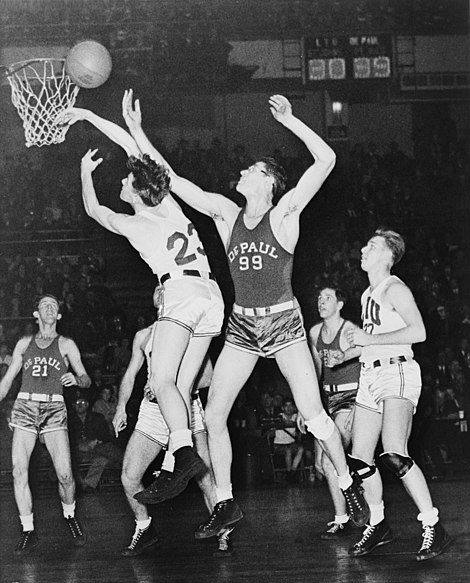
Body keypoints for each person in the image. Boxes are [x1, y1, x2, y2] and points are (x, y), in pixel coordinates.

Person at [119, 90, 369, 535]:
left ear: (269, 182)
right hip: (242, 324)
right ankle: (227, 503)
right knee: (213, 416)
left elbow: (326, 159)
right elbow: (173, 179)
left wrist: (291, 121)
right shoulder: (225, 213)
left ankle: (347, 481)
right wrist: (138, 133)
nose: (240, 171)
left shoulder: (285, 214)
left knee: (314, 416)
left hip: (284, 323)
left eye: (250, 169)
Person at [59, 107, 225, 502]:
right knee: (182, 387)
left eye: (125, 178)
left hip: (181, 295)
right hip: (212, 296)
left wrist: (84, 172)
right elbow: (130, 143)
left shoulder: (133, 224)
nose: (121, 178)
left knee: (162, 381)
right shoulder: (167, 204)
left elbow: (94, 209)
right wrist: (86, 113)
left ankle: (183, 454)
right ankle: (175, 465)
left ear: (134, 190)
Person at [345, 229, 452, 561]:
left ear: (388, 255)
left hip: (397, 372)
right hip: (371, 375)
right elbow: (372, 340)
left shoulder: (396, 288)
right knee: (360, 459)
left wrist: (366, 340)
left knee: (393, 453)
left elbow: (418, 332)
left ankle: (434, 527)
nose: (364, 248)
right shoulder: (367, 294)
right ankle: (378, 524)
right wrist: (348, 355)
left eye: (372, 246)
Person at [112, 318, 233, 557]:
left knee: (204, 475)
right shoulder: (144, 335)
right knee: (129, 476)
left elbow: (207, 377)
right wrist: (121, 406)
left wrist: (168, 385)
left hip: (185, 407)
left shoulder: (192, 333)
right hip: (153, 411)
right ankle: (144, 528)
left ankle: (223, 534)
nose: (162, 291)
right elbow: (130, 375)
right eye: (158, 288)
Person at [0, 294, 91, 553]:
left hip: (54, 408)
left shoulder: (66, 344)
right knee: (19, 471)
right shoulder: (24, 343)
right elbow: (7, 382)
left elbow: (86, 378)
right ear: (36, 314)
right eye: (44, 305)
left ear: (59, 315)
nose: (49, 308)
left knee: (65, 474)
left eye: (54, 306)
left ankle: (70, 515)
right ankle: (28, 530)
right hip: (25, 406)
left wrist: (77, 379)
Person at [308, 285, 361, 539]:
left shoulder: (349, 330)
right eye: (319, 298)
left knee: (331, 461)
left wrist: (359, 403)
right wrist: (308, 404)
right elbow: (315, 372)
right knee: (321, 464)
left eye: (328, 298)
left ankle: (342, 519)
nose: (322, 301)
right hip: (327, 398)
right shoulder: (315, 332)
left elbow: (367, 354)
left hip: (350, 397)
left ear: (339, 304)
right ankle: (354, 489)